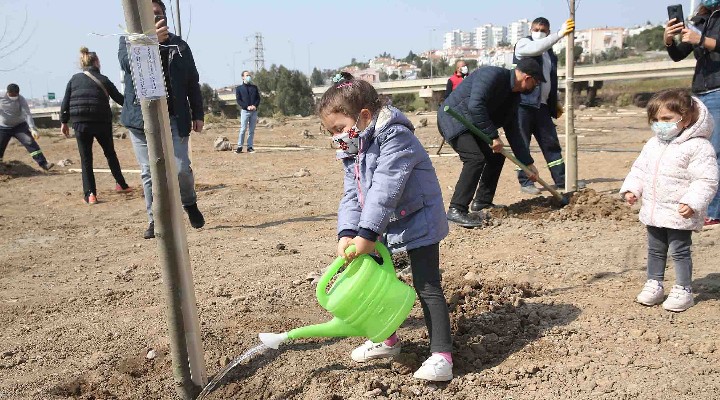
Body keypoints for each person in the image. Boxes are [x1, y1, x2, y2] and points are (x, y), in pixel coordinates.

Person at [317, 72, 453, 382]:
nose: (337, 137)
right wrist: (347, 232)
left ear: (363, 116)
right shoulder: (353, 148)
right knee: (375, 283)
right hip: (385, 225)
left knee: (427, 285)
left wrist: (367, 233)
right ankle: (387, 340)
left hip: (419, 218)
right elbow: (353, 194)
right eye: (331, 131)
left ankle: (442, 355)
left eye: (339, 128)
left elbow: (385, 188)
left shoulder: (396, 136)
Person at [621, 89, 719, 312]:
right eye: (655, 120)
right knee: (655, 249)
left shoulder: (698, 147)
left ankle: (683, 289)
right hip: (654, 210)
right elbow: (640, 169)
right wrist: (632, 189)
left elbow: (706, 180)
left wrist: (693, 202)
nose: (659, 125)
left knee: (679, 250)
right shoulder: (653, 144)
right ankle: (654, 283)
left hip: (679, 211)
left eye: (666, 119)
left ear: (685, 118)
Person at [118, 0, 205, 239]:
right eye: (149, 14)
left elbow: (192, 82)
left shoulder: (180, 45)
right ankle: (154, 220)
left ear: (165, 16)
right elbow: (127, 65)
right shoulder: (128, 41)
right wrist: (149, 43)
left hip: (175, 117)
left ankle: (189, 203)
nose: (155, 18)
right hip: (140, 121)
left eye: (157, 13)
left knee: (180, 169)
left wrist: (198, 113)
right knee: (149, 172)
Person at [437, 58, 542, 228]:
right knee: (475, 159)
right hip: (453, 119)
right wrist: (493, 136)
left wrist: (527, 163)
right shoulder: (491, 75)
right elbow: (476, 106)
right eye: (535, 83)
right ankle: (456, 209)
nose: (535, 88)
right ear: (527, 78)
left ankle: (482, 202)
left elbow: (513, 131)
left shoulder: (513, 97)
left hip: (473, 125)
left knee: (496, 157)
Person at [665, 1, 720, 227]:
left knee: (715, 153)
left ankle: (715, 212)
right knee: (697, 152)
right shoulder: (699, 20)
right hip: (700, 91)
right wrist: (669, 40)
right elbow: (678, 54)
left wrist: (703, 41)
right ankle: (701, 205)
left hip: (718, 90)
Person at [514, 17, 580, 195]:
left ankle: (561, 179)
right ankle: (526, 181)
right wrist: (560, 34)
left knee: (551, 144)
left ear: (547, 31)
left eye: (542, 30)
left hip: (542, 107)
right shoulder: (523, 45)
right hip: (523, 105)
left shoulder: (550, 55)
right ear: (530, 29)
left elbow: (551, 79)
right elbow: (537, 47)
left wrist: (554, 101)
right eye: (536, 29)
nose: (539, 32)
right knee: (522, 144)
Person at [60, 47, 131, 204]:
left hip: (80, 123)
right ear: (97, 62)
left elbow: (65, 101)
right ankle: (121, 184)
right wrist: (134, 106)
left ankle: (90, 194)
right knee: (110, 154)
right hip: (101, 121)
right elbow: (120, 99)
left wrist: (64, 122)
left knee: (86, 159)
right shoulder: (103, 79)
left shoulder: (74, 79)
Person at [0, 83, 54, 171]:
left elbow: (27, 114)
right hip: (3, 127)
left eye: (16, 95)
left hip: (19, 126)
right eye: (12, 95)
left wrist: (32, 128)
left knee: (29, 142)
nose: (14, 97)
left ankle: (44, 164)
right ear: (7, 92)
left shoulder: (21, 99)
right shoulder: (1, 95)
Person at [235, 70, 260, 154]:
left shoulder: (254, 87)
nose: (248, 76)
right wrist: (246, 107)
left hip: (254, 112)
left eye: (249, 75)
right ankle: (239, 147)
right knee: (243, 129)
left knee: (251, 130)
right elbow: (239, 100)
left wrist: (255, 106)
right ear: (243, 77)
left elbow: (258, 98)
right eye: (247, 75)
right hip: (245, 112)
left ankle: (250, 147)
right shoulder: (239, 88)